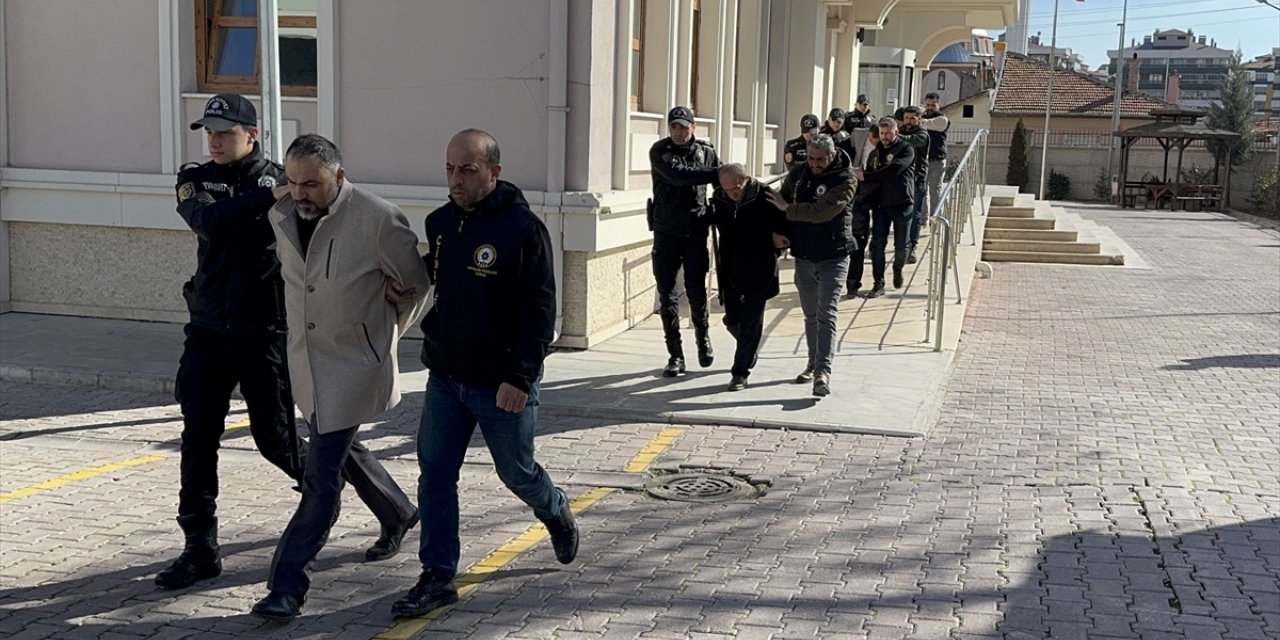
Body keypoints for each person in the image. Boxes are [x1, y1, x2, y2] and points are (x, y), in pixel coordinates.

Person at [391, 129, 577, 618]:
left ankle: (554, 507)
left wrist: (520, 377)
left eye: (467, 169)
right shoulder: (438, 223)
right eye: (450, 168)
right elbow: (431, 286)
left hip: (502, 384)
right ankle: (437, 576)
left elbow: (541, 313)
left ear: (494, 171)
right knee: (434, 474)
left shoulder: (522, 230)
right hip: (446, 379)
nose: (456, 179)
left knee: (516, 473)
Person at [252, 134, 428, 620]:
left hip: (353, 367)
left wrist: (387, 332)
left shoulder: (378, 218)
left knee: (321, 474)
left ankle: (286, 585)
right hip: (307, 366)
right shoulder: (284, 213)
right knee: (341, 446)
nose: (301, 192)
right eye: (292, 181)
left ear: (340, 177)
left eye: (313, 183)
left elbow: (417, 286)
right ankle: (397, 512)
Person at [157, 93, 303, 590]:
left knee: (278, 441)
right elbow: (209, 221)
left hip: (261, 332)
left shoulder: (283, 180)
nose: (216, 141)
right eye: (210, 132)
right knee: (198, 440)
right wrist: (269, 198)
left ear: (252, 135)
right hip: (207, 333)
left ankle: (367, 499)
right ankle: (199, 549)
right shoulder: (194, 179)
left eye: (226, 132)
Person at [767, 134, 856, 397]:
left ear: (831, 155)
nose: (816, 164)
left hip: (834, 255)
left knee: (826, 313)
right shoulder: (798, 173)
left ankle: (822, 373)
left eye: (821, 160)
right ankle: (812, 362)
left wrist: (789, 208)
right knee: (810, 315)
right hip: (804, 256)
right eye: (812, 159)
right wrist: (778, 232)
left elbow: (821, 211)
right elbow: (779, 203)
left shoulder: (846, 178)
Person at [647, 106, 721, 377]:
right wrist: (717, 172)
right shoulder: (660, 151)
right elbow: (679, 176)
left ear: (693, 127)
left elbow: (722, 188)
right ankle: (675, 355)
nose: (678, 132)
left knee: (696, 291)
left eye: (683, 127)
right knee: (667, 294)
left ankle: (703, 339)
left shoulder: (707, 152)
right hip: (666, 232)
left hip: (695, 233)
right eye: (674, 127)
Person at [707, 164, 789, 392]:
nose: (732, 193)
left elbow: (786, 225)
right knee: (732, 320)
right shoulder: (720, 197)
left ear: (747, 180)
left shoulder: (766, 196)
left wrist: (777, 237)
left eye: (736, 188)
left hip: (760, 267)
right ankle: (749, 348)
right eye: (726, 189)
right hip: (731, 269)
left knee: (751, 322)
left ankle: (739, 373)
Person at [855, 117, 915, 298]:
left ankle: (898, 268)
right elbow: (870, 175)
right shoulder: (875, 153)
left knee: (901, 247)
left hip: (902, 204)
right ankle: (878, 283)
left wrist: (866, 176)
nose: (885, 137)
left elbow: (894, 170)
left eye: (889, 133)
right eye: (882, 133)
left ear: (896, 132)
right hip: (881, 206)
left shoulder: (906, 149)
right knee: (877, 246)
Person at [845, 126, 879, 299]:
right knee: (855, 240)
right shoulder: (858, 134)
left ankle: (853, 283)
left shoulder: (888, 149)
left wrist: (866, 176)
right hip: (856, 195)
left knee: (860, 240)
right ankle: (851, 283)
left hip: (872, 194)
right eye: (875, 138)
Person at [898, 106, 931, 265]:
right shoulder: (899, 131)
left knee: (915, 214)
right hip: (900, 180)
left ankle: (912, 246)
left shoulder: (922, 133)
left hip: (917, 179)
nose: (909, 121)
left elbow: (916, 141)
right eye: (907, 118)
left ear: (918, 119)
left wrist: (896, 137)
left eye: (912, 118)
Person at [922, 93, 951, 226]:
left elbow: (926, 124)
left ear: (938, 105)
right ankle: (923, 220)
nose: (930, 107)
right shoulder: (922, 118)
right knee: (922, 191)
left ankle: (936, 220)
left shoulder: (942, 119)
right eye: (927, 105)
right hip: (922, 161)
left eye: (933, 105)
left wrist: (918, 119)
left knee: (935, 191)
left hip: (937, 160)